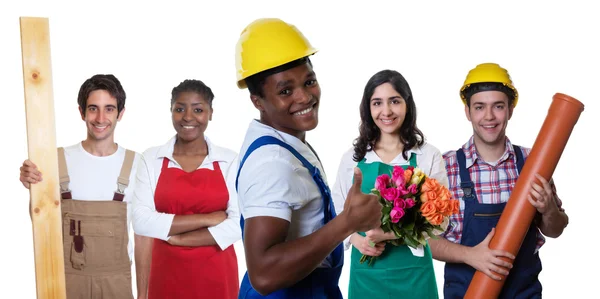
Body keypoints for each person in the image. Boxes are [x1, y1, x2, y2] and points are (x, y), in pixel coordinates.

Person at [233, 18, 383, 298]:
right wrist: (348, 223)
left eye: (309, 81)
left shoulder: (287, 140)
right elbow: (264, 274)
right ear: (257, 101)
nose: (304, 97)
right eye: (285, 91)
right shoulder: (272, 162)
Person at [429, 63, 569, 299]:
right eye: (480, 107)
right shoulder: (445, 167)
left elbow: (555, 229)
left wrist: (549, 209)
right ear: (468, 111)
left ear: (510, 110)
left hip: (523, 293)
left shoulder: (534, 162)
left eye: (498, 106)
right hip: (466, 292)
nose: (489, 116)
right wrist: (469, 255)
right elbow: (426, 240)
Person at [19, 74, 151, 299]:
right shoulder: (54, 160)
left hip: (117, 283)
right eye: (93, 108)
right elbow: (41, 223)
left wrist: (144, 295)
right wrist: (32, 187)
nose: (101, 118)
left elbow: (144, 237)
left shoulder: (138, 165)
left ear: (121, 113)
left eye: (109, 109)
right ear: (81, 112)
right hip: (65, 283)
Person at [331, 69, 448, 299]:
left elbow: (441, 219)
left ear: (407, 104)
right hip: (366, 276)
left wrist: (389, 234)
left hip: (414, 277)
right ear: (368, 108)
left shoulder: (427, 156)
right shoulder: (353, 159)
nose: (386, 111)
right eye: (377, 103)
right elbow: (335, 212)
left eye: (394, 101)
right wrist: (357, 240)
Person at [132, 79, 240, 299]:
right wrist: (208, 218)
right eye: (180, 109)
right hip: (165, 274)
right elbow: (141, 221)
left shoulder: (230, 161)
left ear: (210, 113)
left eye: (198, 109)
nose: (188, 117)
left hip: (217, 276)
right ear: (171, 111)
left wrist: (178, 239)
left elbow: (239, 223)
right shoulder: (151, 159)